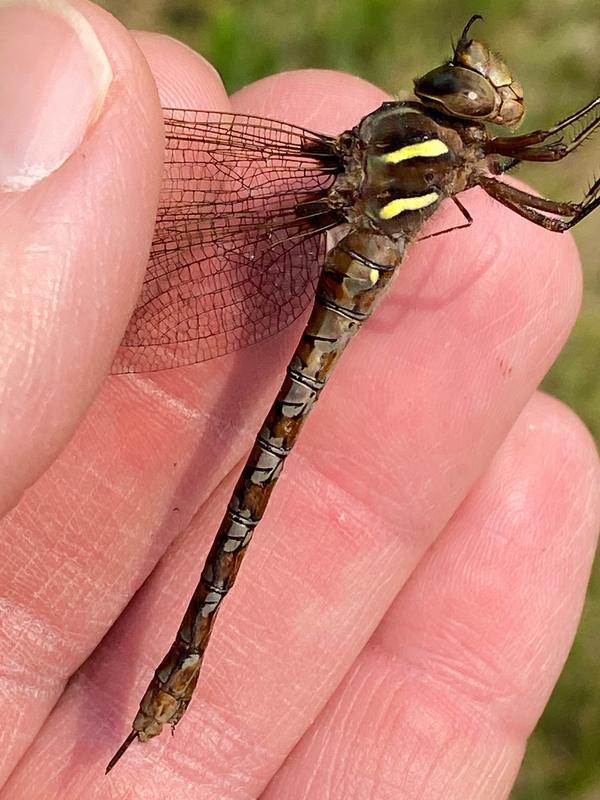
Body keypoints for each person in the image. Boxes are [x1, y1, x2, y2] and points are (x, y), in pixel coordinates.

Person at [0, 1, 598, 797]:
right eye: (474, 87)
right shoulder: (440, 153)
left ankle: (172, 678)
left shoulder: (416, 147)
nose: (494, 95)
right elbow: (561, 182)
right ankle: (177, 675)